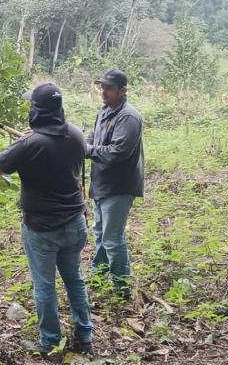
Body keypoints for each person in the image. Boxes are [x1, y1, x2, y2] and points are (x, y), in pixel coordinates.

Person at [0, 82, 93, 359]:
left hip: (43, 229)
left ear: (37, 111)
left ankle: (50, 344)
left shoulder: (30, 144)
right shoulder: (75, 134)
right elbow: (52, 147)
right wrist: (32, 139)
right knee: (74, 279)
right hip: (75, 223)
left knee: (45, 286)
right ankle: (85, 336)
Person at [85, 69, 144, 299]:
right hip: (101, 185)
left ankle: (122, 290)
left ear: (123, 90)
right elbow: (92, 139)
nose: (103, 92)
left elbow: (118, 152)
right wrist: (82, 144)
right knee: (100, 234)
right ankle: (98, 279)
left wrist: (88, 150)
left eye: (109, 88)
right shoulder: (104, 111)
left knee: (112, 238)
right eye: (102, 87)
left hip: (118, 187)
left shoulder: (128, 117)